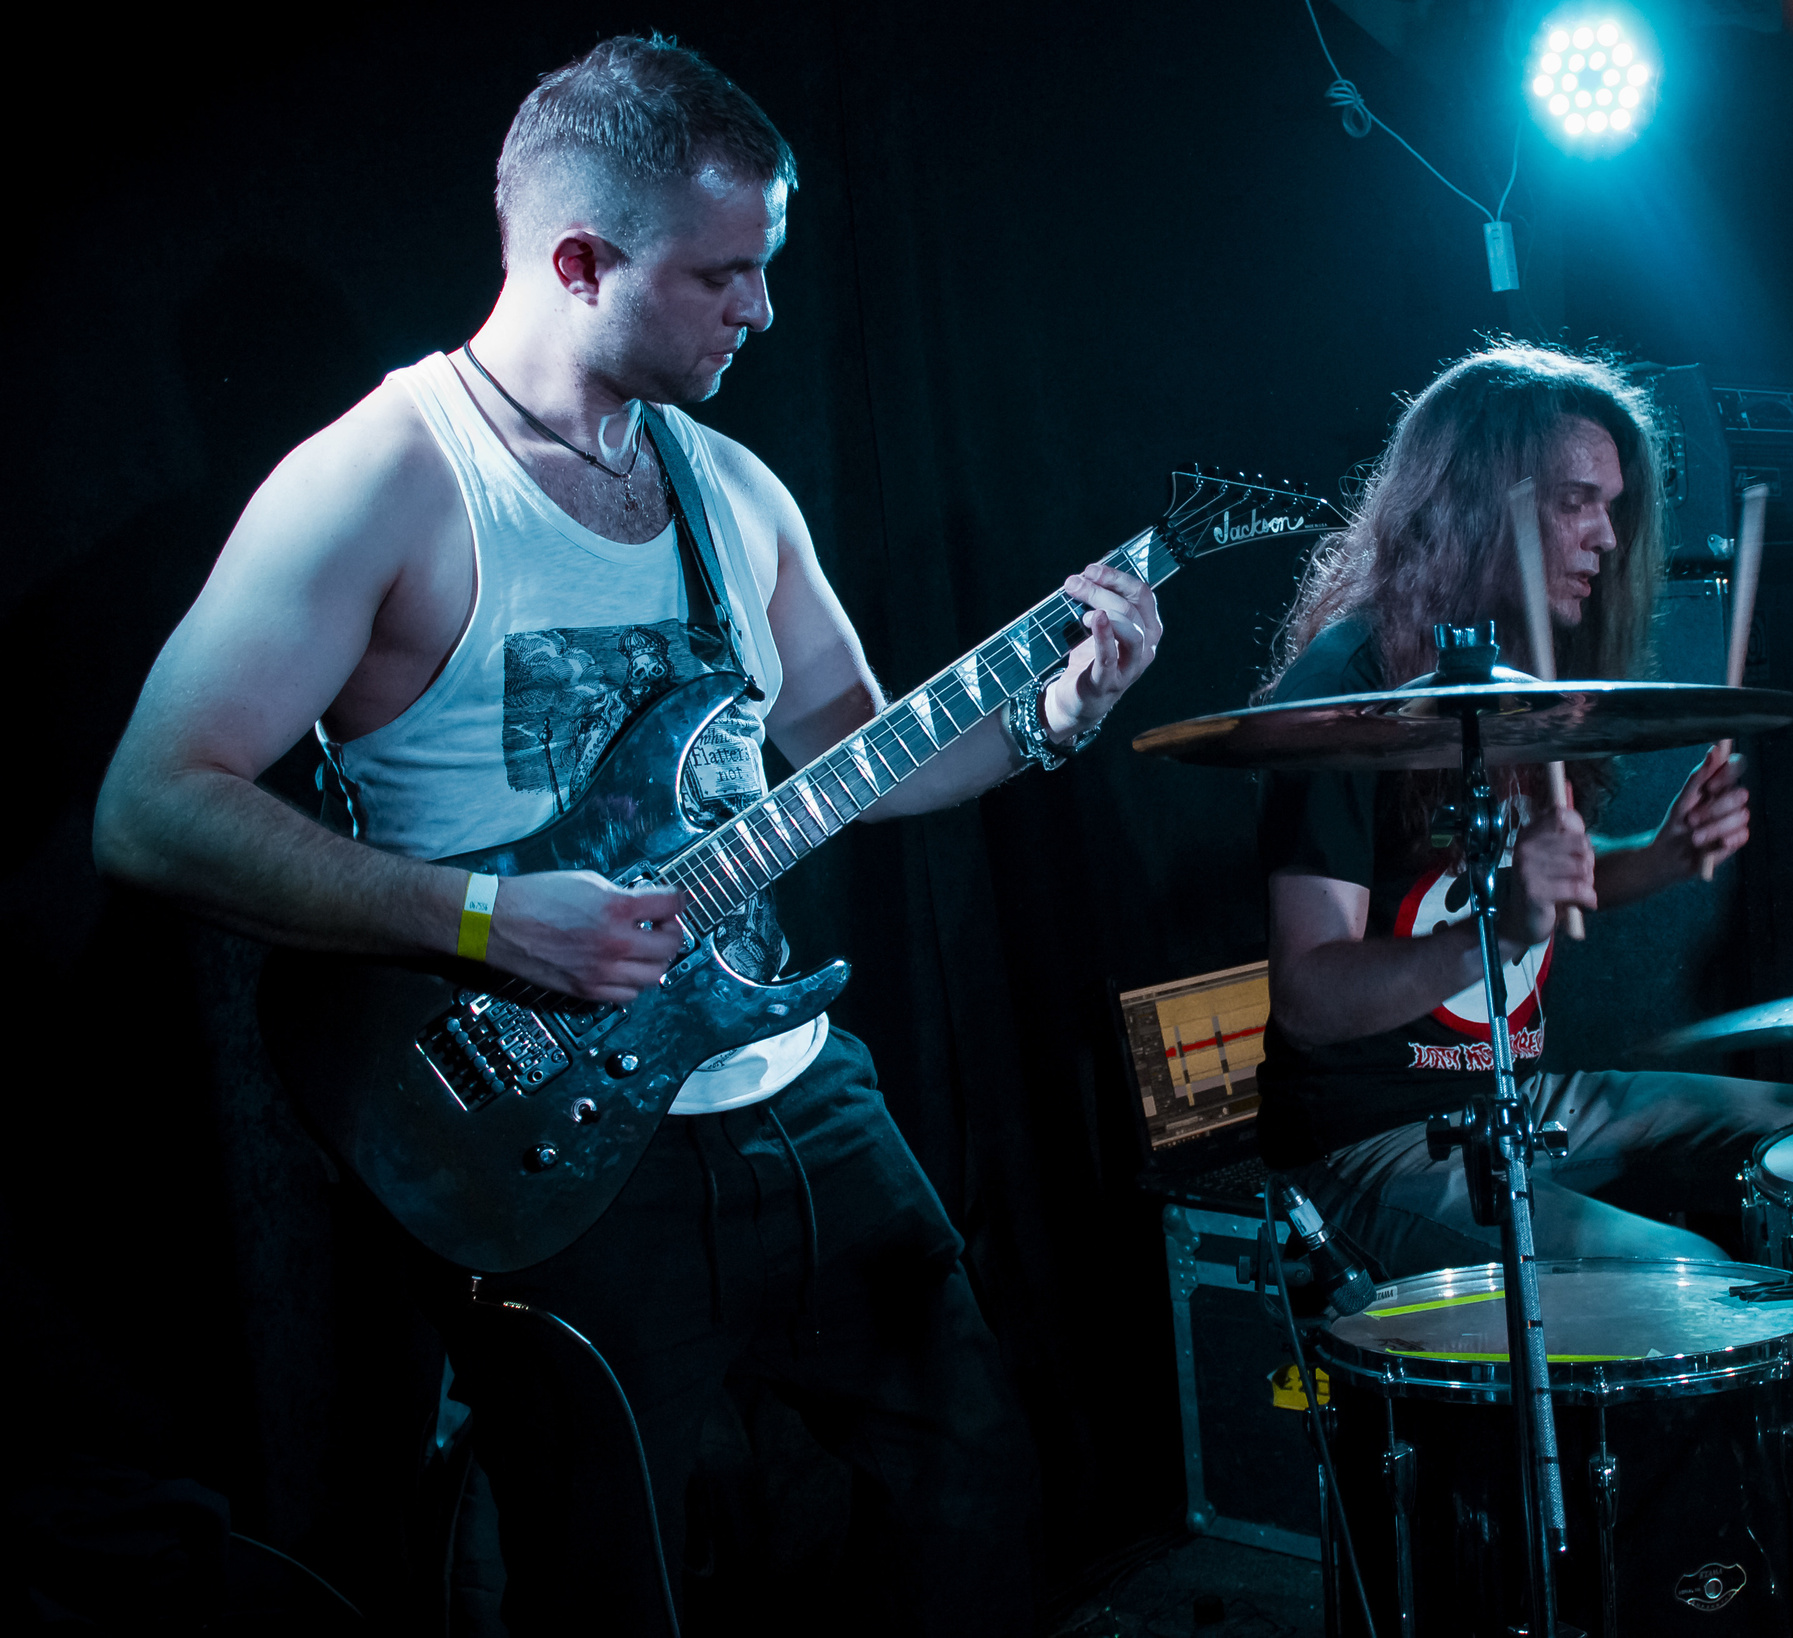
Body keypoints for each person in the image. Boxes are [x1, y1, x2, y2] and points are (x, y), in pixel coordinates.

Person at [91, 36, 1159, 1636]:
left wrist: (1059, 713)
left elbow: (855, 757)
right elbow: (152, 807)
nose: (765, 311)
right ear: (581, 262)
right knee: (616, 1592)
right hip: (549, 1144)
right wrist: (480, 919)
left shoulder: (734, 487)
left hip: (795, 1095)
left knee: (974, 1507)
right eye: (728, 274)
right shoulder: (385, 479)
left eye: (771, 270)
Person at [1253, 344, 1793, 1620]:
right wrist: (1500, 920)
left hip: (1528, 1095)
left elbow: (1537, 894)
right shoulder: (1347, 692)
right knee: (1698, 1289)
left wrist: (1660, 859)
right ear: (1479, 500)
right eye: (1577, 500)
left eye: (1616, 504)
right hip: (1376, 1138)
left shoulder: (1518, 679)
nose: (1605, 535)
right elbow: (1312, 995)